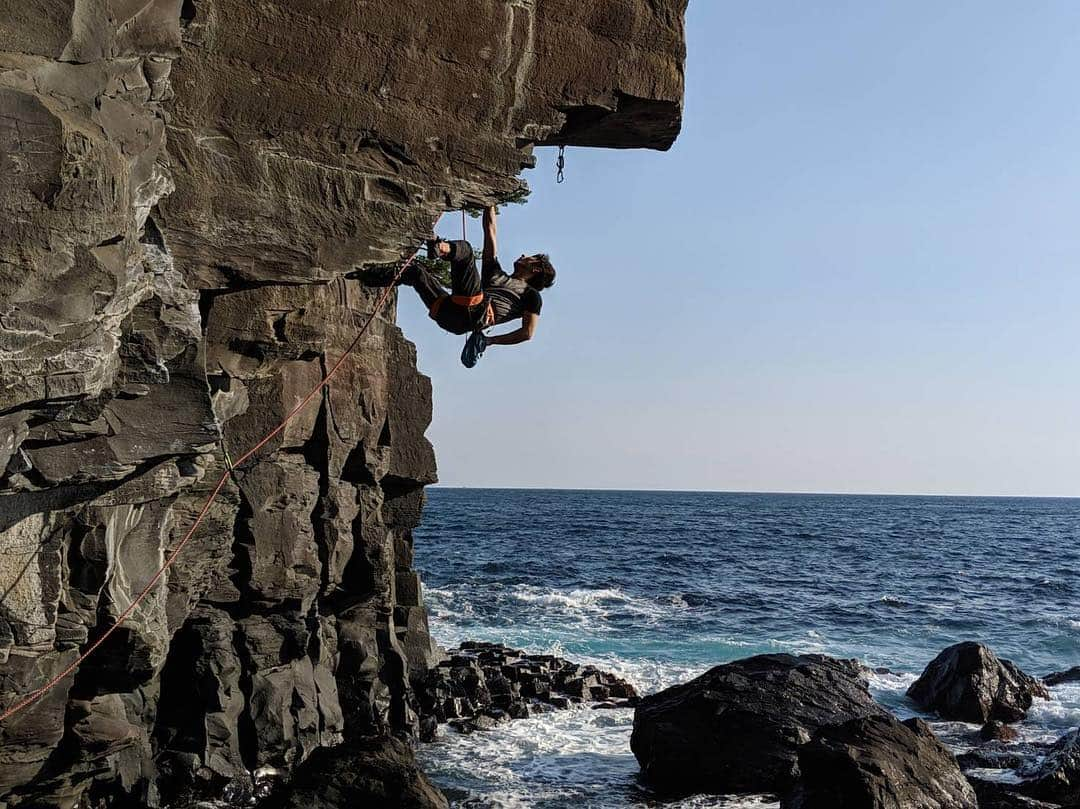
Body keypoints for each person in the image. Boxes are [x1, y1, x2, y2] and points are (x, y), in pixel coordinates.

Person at [401, 206, 555, 351]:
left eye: (530, 257)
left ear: (536, 268)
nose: (523, 255)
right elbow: (490, 230)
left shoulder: (531, 296)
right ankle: (377, 276)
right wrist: (490, 203)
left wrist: (490, 340)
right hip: (449, 316)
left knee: (466, 251)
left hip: (475, 313)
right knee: (415, 272)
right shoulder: (494, 273)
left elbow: (527, 333)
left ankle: (439, 246)